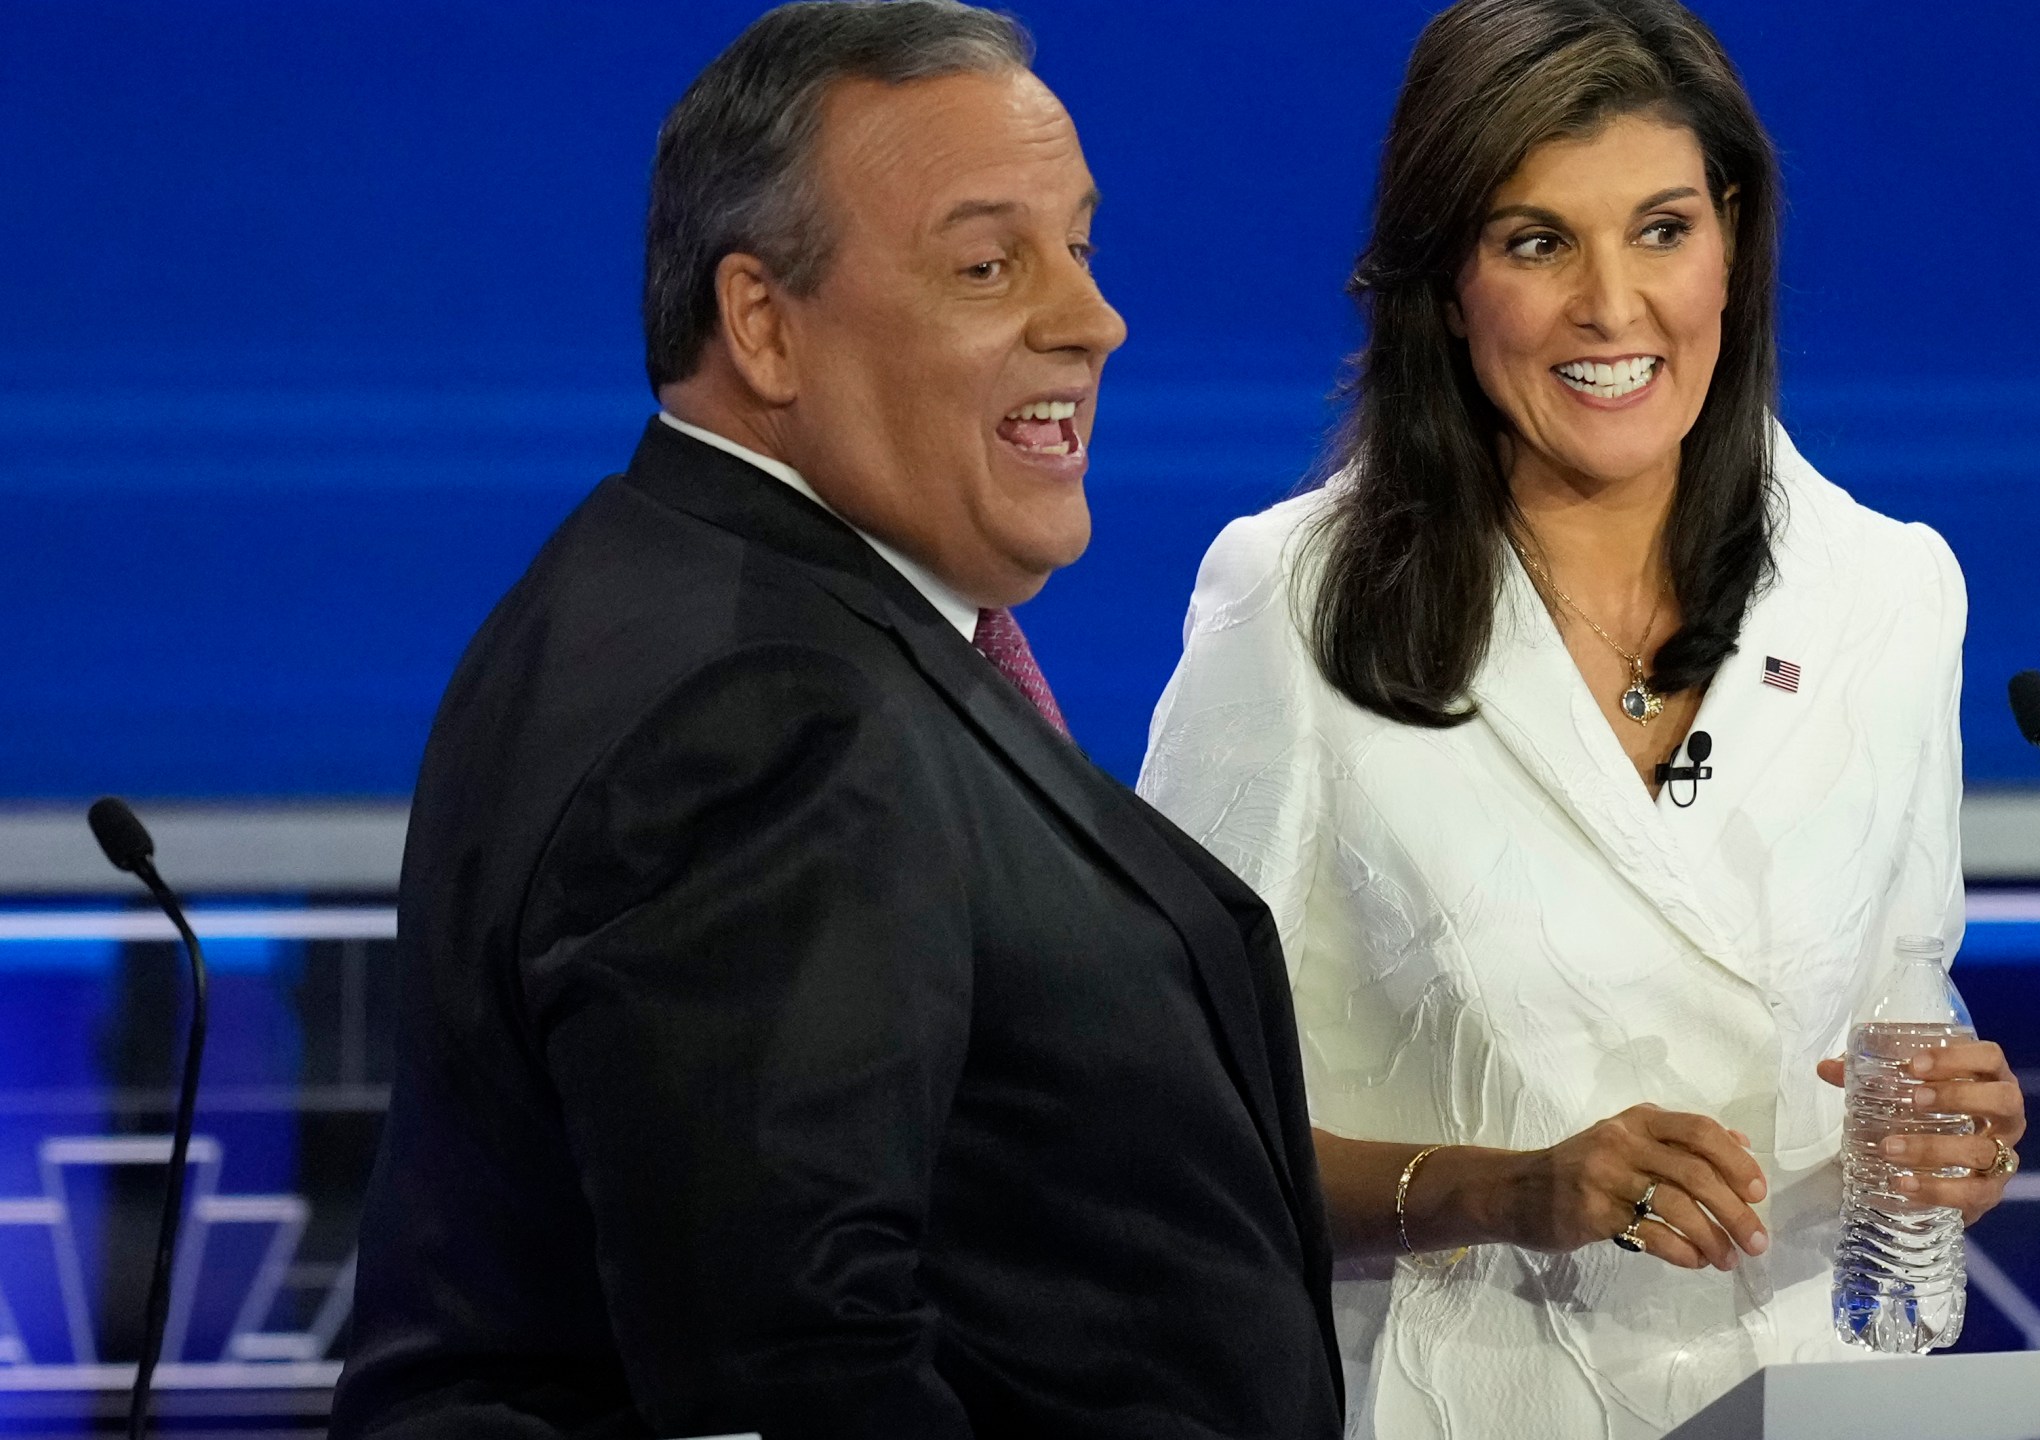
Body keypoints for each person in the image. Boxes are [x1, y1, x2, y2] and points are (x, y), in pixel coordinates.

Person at [331, 5, 1340, 1437]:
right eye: (990, 264)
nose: (1092, 318)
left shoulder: (687, 596)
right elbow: (796, 1366)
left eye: (1082, 246)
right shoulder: (760, 709)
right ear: (763, 324)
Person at [1138, 1, 2025, 1434]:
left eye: (1663, 229)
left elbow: (1900, 1013)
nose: (1614, 308)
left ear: (1733, 240)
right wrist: (1503, 1190)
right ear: (1445, 284)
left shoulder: (1891, 593)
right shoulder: (1297, 602)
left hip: (1816, 1400)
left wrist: (1954, 1139)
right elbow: (1158, 1133)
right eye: (1538, 242)